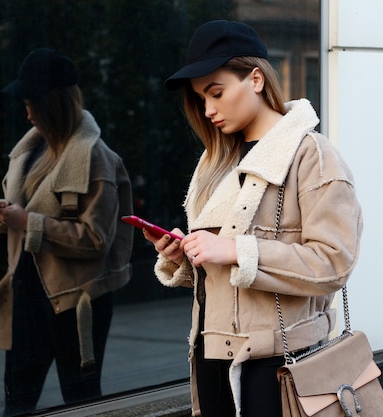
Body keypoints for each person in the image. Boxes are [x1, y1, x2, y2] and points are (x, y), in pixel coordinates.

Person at [143, 21, 363, 417]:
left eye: (217, 93)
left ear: (256, 79)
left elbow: (334, 260)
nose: (208, 110)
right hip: (210, 355)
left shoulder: (311, 155)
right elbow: (224, 273)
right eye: (201, 99)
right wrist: (185, 253)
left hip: (277, 363)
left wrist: (234, 249)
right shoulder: (216, 161)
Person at [0, 48, 133, 416]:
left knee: (81, 403)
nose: (26, 112)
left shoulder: (96, 158)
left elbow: (96, 239)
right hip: (27, 294)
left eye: (30, 103)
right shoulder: (30, 151)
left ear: (51, 103)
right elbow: (27, 212)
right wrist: (8, 215)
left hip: (75, 302)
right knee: (16, 402)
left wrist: (28, 223)